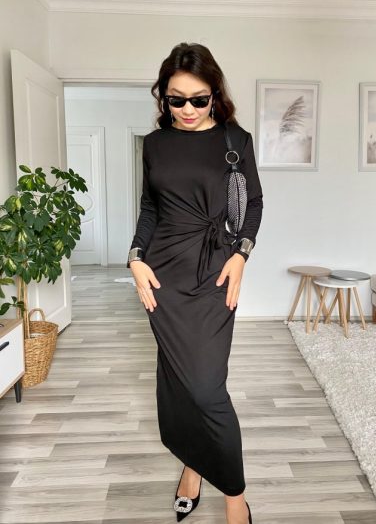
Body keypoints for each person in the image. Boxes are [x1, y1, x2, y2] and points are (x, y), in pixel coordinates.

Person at [126, 42, 263, 524]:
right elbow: (150, 208)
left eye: (198, 99)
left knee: (207, 388)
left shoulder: (235, 140)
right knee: (179, 381)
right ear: (163, 97)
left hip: (214, 271)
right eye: (176, 99)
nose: (187, 109)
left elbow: (254, 205)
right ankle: (192, 465)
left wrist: (241, 256)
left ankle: (235, 496)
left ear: (214, 95)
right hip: (162, 274)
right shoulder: (155, 144)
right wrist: (134, 258)